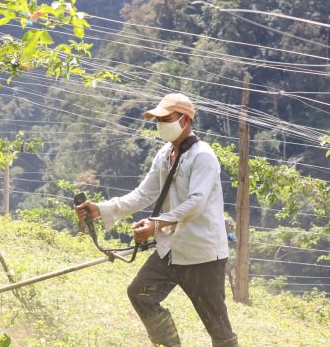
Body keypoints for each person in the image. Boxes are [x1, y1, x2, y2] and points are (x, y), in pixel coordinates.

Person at [75, 93, 238, 347]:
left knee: (218, 329)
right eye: (158, 119)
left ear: (185, 120)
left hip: (202, 255)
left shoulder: (203, 156)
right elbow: (144, 194)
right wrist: (102, 209)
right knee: (140, 293)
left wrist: (157, 223)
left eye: (166, 118)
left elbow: (196, 203)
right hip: (170, 250)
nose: (160, 124)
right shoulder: (165, 154)